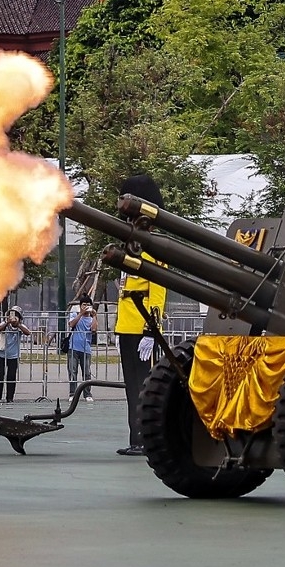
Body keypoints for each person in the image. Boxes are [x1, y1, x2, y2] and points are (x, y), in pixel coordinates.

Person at [114, 173, 168, 456]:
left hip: (143, 325)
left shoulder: (151, 244)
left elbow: (157, 288)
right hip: (128, 325)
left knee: (145, 387)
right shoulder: (133, 242)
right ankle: (137, 438)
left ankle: (147, 439)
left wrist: (152, 327)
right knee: (132, 387)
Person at [0, 307, 29, 403]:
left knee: (11, 376)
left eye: (16, 315)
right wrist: (7, 322)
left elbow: (28, 332)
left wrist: (18, 325)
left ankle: (10, 398)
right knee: (0, 375)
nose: (14, 317)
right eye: (12, 315)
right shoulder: (5, 324)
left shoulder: (21, 326)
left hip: (13, 356)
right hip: (1, 354)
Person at [67, 295, 97, 401]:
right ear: (80, 306)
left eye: (88, 305)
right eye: (84, 305)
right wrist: (80, 313)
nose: (86, 307)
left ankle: (87, 394)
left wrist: (94, 316)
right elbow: (71, 324)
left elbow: (93, 330)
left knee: (87, 373)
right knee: (72, 371)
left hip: (86, 348)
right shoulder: (75, 314)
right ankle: (72, 394)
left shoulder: (91, 318)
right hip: (73, 347)